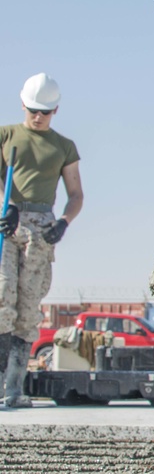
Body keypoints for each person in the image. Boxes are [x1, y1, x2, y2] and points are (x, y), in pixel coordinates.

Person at [0, 75, 83, 408]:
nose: (38, 117)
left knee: (28, 309)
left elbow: (76, 194)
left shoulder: (64, 147)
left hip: (42, 229)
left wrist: (63, 223)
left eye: (45, 112)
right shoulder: (6, 136)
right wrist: (7, 209)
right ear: (23, 104)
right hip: (7, 224)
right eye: (33, 110)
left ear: (55, 110)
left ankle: (14, 389)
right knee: (2, 299)